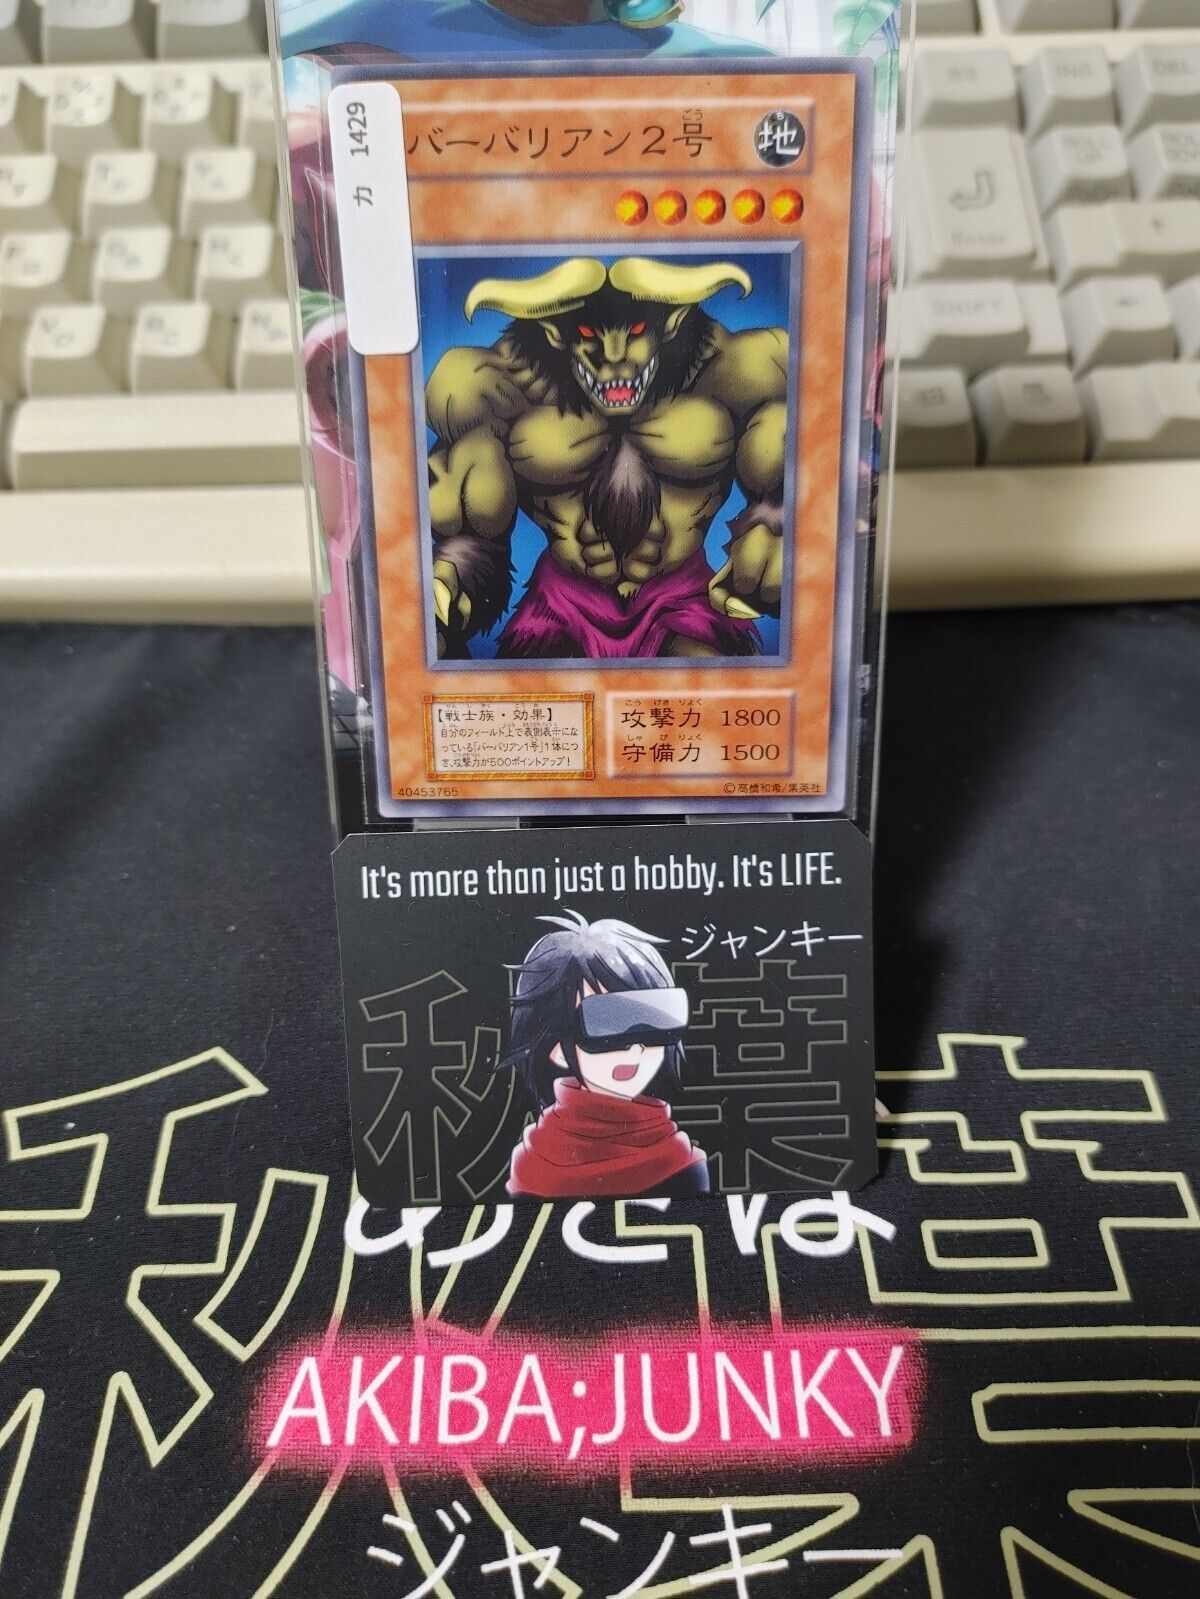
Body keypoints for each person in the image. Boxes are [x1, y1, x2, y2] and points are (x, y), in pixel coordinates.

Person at [499, 911, 710, 1199]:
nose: (635, 1046)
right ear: (558, 1048)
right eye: (605, 1021)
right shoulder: (532, 1164)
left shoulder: (682, 1163)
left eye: (653, 1020)